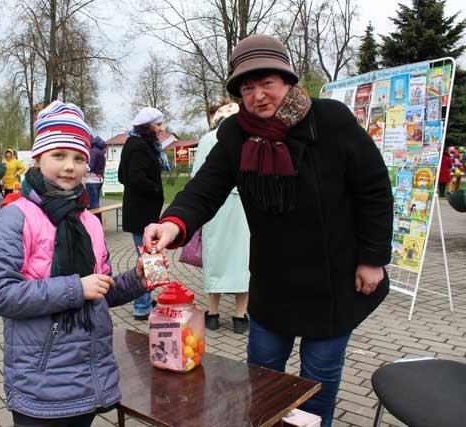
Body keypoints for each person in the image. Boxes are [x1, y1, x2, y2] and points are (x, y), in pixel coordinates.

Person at [142, 34, 393, 427]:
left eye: (267, 83)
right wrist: (173, 222)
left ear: (288, 81)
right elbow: (204, 190)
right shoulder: (234, 135)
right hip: (273, 280)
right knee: (261, 373)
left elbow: (374, 190)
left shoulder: (331, 120)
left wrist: (372, 259)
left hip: (332, 278)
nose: (258, 96)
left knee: (319, 377)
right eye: (247, 88)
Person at [0, 100, 153, 427]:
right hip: (41, 383)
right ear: (38, 158)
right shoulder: (16, 216)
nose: (69, 167)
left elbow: (99, 291)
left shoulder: (88, 221)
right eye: (58, 155)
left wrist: (136, 280)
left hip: (87, 378)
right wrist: (76, 288)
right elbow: (0, 294)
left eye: (78, 158)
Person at [192, 101, 251, 334]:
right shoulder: (249, 139)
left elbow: (197, 178)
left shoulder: (207, 140)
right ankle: (239, 316)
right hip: (242, 208)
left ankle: (213, 314)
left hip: (214, 207)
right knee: (242, 260)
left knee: (214, 258)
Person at [118, 107, 166, 320]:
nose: (161, 128)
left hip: (141, 212)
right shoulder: (139, 146)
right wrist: (155, 189)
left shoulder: (134, 143)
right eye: (158, 124)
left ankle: (146, 299)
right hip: (142, 214)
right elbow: (135, 177)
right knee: (148, 258)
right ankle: (141, 306)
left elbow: (123, 176)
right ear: (147, 126)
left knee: (150, 256)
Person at [84, 136, 107, 221]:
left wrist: (82, 166)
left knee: (93, 206)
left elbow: (90, 167)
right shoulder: (101, 151)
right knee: (96, 204)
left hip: (91, 180)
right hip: (99, 180)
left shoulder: (93, 151)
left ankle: (95, 225)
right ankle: (99, 224)